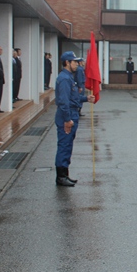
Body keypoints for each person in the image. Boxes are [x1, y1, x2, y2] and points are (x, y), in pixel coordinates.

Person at [54, 51, 95, 186]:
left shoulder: (69, 77)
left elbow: (74, 98)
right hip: (68, 115)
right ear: (67, 62)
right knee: (64, 145)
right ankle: (61, 176)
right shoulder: (65, 78)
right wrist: (67, 119)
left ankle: (65, 174)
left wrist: (85, 98)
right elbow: (64, 101)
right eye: (74, 62)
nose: (77, 64)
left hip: (72, 113)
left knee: (68, 145)